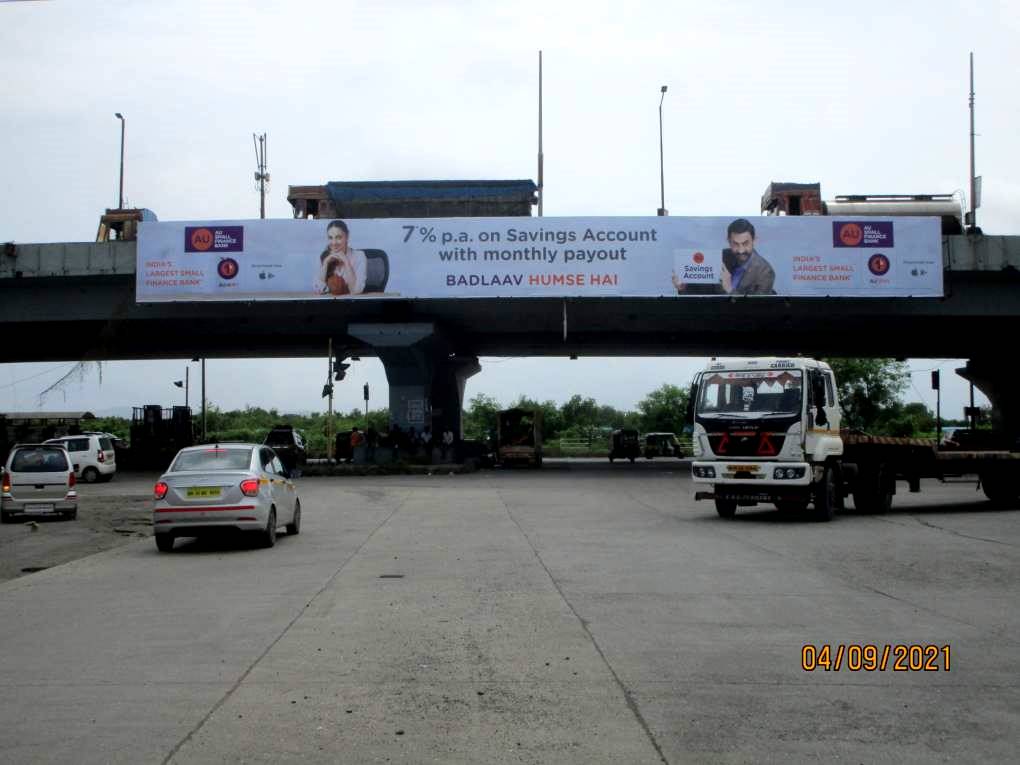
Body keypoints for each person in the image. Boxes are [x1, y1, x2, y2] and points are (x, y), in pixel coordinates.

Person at [672, 218, 776, 295]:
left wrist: (730, 289)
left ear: (754, 240)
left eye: (745, 244)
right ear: (728, 241)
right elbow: (703, 292)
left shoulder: (766, 272)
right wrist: (683, 288)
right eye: (735, 244)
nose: (741, 250)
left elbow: (757, 309)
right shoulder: (721, 257)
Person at [314, 219, 367, 296]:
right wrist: (325, 264)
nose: (334, 243)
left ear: (347, 236)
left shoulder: (359, 256)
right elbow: (318, 290)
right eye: (330, 238)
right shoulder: (324, 257)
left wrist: (346, 262)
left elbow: (356, 291)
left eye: (338, 237)